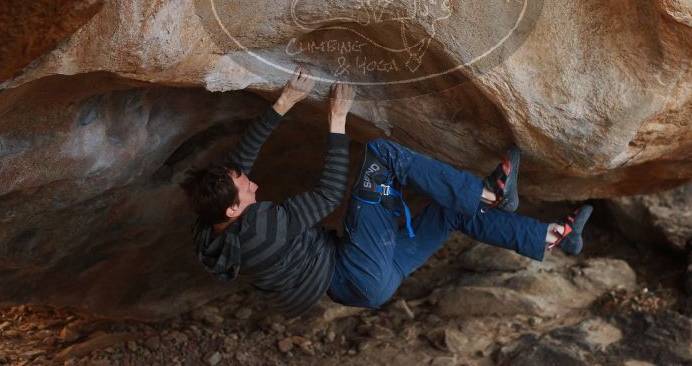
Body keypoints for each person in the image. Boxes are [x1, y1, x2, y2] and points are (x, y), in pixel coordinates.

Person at [181, 66, 593, 317]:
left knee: (449, 210)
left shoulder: (211, 232)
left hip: (363, 286)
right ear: (235, 211)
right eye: (246, 189)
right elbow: (327, 196)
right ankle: (490, 194)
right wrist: (338, 118)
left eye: (243, 179)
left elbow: (241, 161)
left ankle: (551, 237)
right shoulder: (261, 229)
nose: (253, 183)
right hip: (355, 269)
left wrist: (284, 102)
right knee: (382, 155)